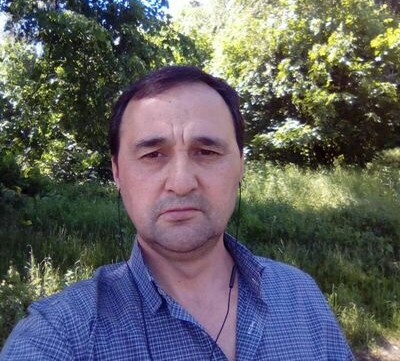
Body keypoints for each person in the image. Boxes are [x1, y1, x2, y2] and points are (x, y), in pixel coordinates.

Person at [1, 66, 354, 360]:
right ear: (117, 173)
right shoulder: (60, 336)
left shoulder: (301, 296)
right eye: (153, 155)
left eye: (207, 152)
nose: (182, 183)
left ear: (240, 166)